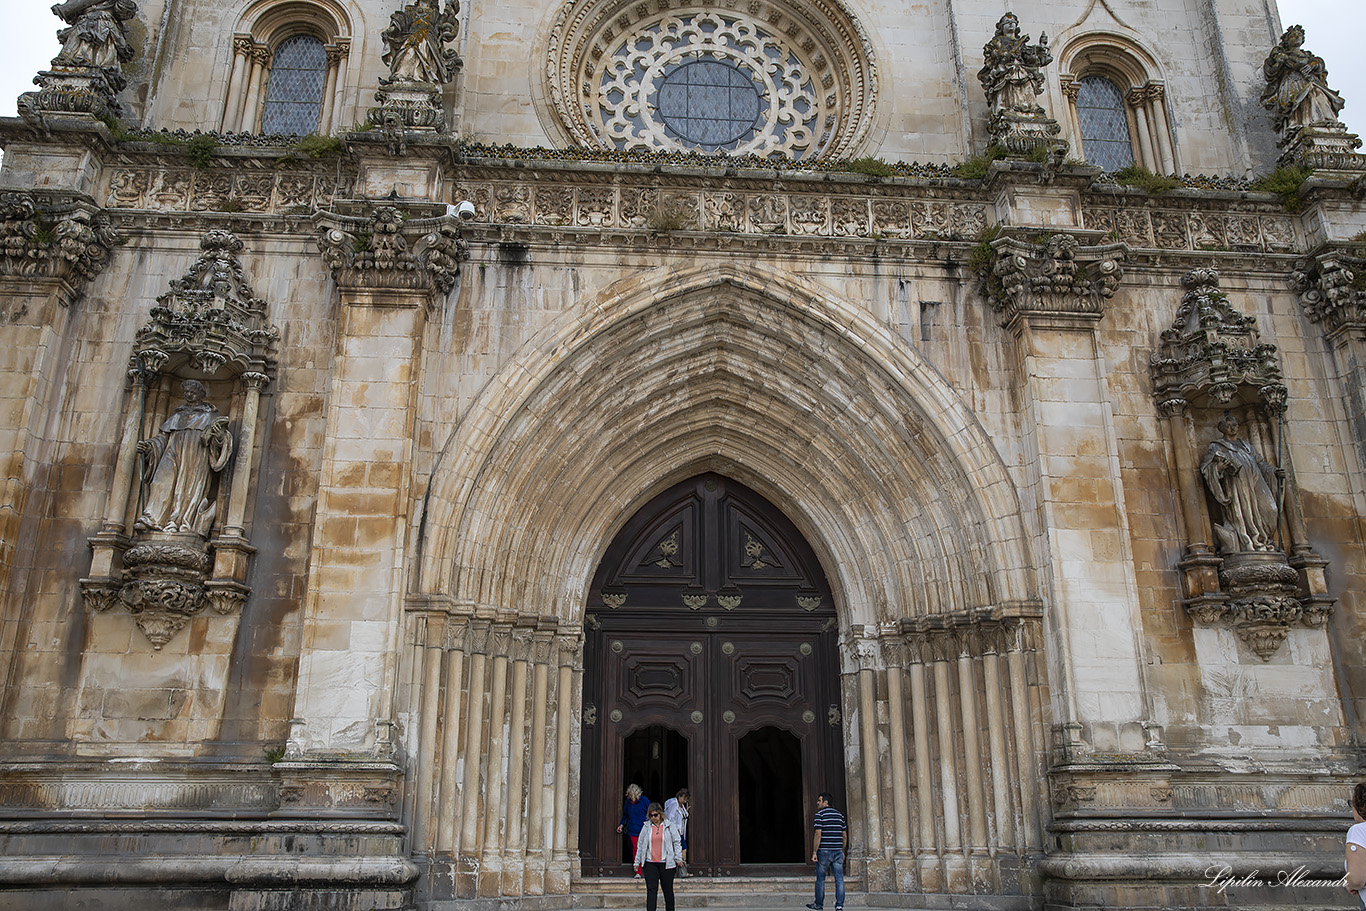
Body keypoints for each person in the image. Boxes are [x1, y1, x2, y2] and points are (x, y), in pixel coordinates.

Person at [135, 379, 233, 537]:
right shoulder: (178, 414)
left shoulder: (210, 415)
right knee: (161, 480)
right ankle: (153, 517)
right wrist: (150, 446)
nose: (189, 395)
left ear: (201, 395)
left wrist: (219, 436)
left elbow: (218, 440)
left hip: (196, 454)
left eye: (192, 392)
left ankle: (181, 521)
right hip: (173, 449)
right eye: (186, 392)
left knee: (188, 487)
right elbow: (163, 437)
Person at [1199, 415, 1282, 553]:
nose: (1232, 428)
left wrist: (1274, 472)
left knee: (1270, 508)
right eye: (1228, 425)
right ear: (1222, 429)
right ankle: (1249, 542)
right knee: (1243, 513)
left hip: (1256, 480)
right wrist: (1220, 466)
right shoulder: (1217, 446)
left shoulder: (1247, 446)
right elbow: (1207, 468)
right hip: (1236, 484)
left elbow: (1260, 464)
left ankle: (1265, 540)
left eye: (1235, 425)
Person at [1261, 25, 1345, 136]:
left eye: (1299, 35)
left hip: (1308, 81)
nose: (1296, 37)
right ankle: (1299, 125)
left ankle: (1325, 122)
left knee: (1317, 95)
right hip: (1292, 82)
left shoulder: (1307, 55)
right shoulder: (1282, 55)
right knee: (1299, 101)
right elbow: (1271, 71)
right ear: (1286, 41)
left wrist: (1312, 65)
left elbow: (1318, 63)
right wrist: (1280, 61)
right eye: (1293, 36)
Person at [633, 802, 683, 911]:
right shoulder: (646, 827)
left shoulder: (669, 826)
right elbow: (640, 845)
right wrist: (637, 862)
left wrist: (678, 858)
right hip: (650, 863)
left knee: (668, 890)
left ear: (660, 814)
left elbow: (677, 842)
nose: (653, 818)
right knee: (651, 890)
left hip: (666, 863)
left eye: (655, 815)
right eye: (651, 815)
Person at [807, 791, 846, 911]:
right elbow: (844, 835)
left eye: (819, 800)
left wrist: (814, 852)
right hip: (837, 851)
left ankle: (819, 905)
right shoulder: (840, 816)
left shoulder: (820, 815)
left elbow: (818, 834)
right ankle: (839, 905)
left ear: (826, 802)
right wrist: (843, 851)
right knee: (839, 879)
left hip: (824, 851)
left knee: (820, 879)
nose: (817, 803)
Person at [617, 784, 651, 867]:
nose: (631, 797)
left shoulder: (644, 801)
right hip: (632, 829)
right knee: (636, 850)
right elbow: (625, 815)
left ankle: (648, 869)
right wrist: (621, 825)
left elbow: (651, 812)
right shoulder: (628, 802)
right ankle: (637, 871)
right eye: (629, 795)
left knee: (646, 849)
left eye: (632, 795)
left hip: (644, 829)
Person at [663, 788, 690, 877]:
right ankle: (681, 871)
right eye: (684, 798)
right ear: (679, 796)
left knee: (681, 850)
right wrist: (674, 829)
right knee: (682, 850)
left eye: (686, 799)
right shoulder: (674, 804)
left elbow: (684, 816)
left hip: (680, 833)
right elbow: (670, 818)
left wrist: (686, 810)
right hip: (674, 832)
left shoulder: (681, 806)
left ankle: (681, 871)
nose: (685, 801)